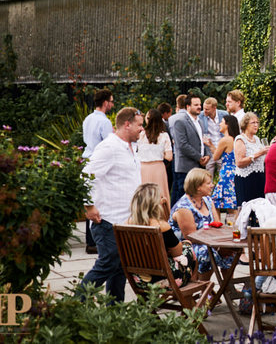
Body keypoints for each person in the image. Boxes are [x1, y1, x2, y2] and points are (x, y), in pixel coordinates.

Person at [81, 107, 144, 301]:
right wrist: (89, 206)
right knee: (107, 265)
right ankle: (75, 303)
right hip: (108, 220)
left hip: (125, 220)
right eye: (140, 125)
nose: (142, 129)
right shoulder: (109, 147)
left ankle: (115, 311)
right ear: (127, 124)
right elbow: (86, 176)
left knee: (120, 269)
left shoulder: (131, 147)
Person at [127, 183, 197, 286]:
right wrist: (186, 244)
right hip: (164, 279)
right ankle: (191, 289)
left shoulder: (127, 224)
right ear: (154, 204)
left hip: (140, 279)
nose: (163, 200)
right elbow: (177, 253)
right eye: (160, 198)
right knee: (189, 247)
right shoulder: (161, 226)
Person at [169, 168, 223, 277]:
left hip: (206, 240)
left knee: (231, 251)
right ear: (198, 187)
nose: (212, 185)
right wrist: (215, 244)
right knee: (207, 253)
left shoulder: (207, 200)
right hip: (185, 246)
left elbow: (217, 224)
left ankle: (227, 285)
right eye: (208, 183)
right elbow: (191, 237)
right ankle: (204, 284)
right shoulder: (184, 207)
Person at [81, 88, 115, 254]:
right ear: (105, 102)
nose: (112, 105)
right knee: (99, 199)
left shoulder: (88, 119)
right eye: (111, 101)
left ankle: (90, 240)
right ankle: (95, 240)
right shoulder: (105, 122)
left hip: (87, 158)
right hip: (99, 161)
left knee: (90, 198)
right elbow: (109, 144)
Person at [172, 95, 211, 205]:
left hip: (199, 166)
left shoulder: (200, 122)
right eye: (196, 105)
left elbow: (203, 141)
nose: (199, 107)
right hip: (186, 167)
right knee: (183, 198)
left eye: (200, 104)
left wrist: (207, 155)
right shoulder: (180, 121)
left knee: (197, 198)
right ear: (188, 106)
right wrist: (199, 157)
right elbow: (182, 145)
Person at [137, 108, 173, 205]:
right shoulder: (164, 135)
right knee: (160, 194)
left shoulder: (141, 135)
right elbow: (169, 157)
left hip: (143, 168)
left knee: (144, 193)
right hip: (158, 168)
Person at [233, 112, 269, 206]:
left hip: (259, 178)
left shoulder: (256, 139)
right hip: (246, 179)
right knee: (248, 209)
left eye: (257, 123)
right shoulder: (240, 139)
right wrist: (259, 153)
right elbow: (239, 163)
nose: (256, 125)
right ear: (245, 124)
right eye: (253, 123)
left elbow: (263, 157)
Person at [210, 114, 240, 214]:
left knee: (216, 202)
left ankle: (218, 222)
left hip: (227, 173)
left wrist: (210, 145)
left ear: (227, 125)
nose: (219, 124)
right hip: (235, 172)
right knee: (232, 202)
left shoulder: (225, 140)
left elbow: (215, 157)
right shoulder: (237, 139)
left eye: (222, 122)